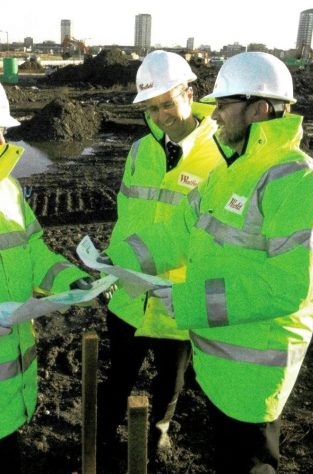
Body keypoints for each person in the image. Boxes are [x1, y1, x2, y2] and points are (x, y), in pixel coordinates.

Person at [103, 52, 313, 473]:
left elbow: (288, 285)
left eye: (224, 105)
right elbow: (176, 233)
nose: (214, 116)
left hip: (253, 377)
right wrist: (110, 261)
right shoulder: (231, 173)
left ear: (260, 109)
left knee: (249, 464)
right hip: (219, 370)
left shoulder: (301, 181)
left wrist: (190, 302)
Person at [98, 50, 228, 458]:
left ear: (189, 93)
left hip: (178, 300)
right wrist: (112, 266)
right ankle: (101, 438)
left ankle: (157, 435)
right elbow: (126, 217)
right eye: (152, 108)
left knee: (169, 382)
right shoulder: (140, 151)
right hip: (131, 294)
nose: (161, 116)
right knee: (117, 376)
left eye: (167, 103)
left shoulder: (221, 154)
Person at [0, 83, 90, 474]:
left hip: (9, 394)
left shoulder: (9, 189)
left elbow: (35, 254)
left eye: (1, 132)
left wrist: (71, 280)